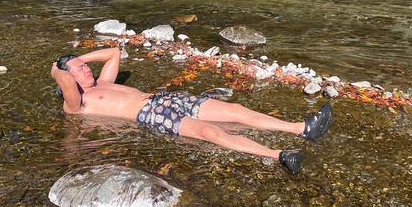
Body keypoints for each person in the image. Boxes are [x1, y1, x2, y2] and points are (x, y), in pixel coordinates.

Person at [51, 48, 334, 173]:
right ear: (68, 78)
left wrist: (78, 58)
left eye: (86, 65)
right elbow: (63, 79)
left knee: (234, 110)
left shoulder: (103, 82)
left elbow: (114, 52)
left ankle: (302, 128)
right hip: (153, 115)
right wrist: (61, 69)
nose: (87, 68)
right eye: (81, 69)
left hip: (167, 99)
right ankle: (280, 156)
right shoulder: (78, 104)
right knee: (212, 133)